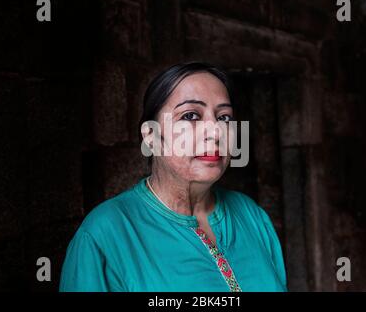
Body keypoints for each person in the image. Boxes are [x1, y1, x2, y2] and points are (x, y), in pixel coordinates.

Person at [59, 62, 287, 292]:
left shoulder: (251, 215)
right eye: (190, 115)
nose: (216, 131)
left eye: (224, 118)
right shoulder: (104, 235)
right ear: (151, 136)